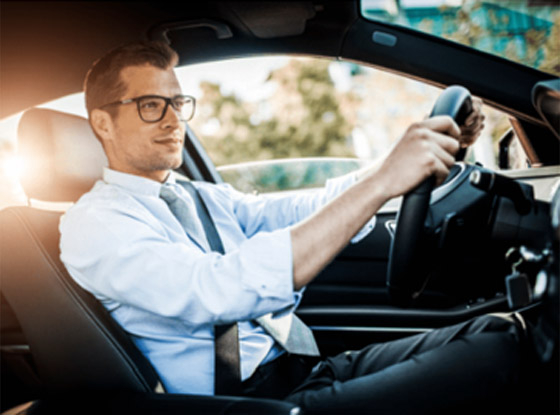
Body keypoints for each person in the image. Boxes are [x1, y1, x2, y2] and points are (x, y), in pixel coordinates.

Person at [59, 41, 525, 414]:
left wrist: (414, 154)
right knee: (496, 359)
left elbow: (302, 209)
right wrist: (385, 180)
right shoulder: (94, 225)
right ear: (103, 123)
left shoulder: (200, 196)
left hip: (305, 370)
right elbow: (215, 289)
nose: (173, 120)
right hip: (249, 404)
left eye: (178, 103)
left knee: (497, 331)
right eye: (150, 105)